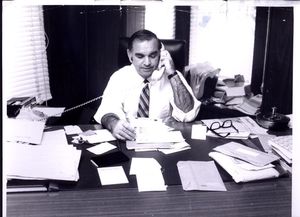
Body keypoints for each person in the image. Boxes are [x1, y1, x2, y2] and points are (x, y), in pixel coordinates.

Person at [94, 29, 200, 140]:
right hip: (129, 140)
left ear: (160, 53)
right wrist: (114, 124)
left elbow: (188, 114)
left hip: (163, 144)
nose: (147, 63)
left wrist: (172, 73)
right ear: (130, 55)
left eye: (153, 55)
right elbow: (107, 111)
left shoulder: (173, 76)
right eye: (140, 56)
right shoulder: (119, 77)